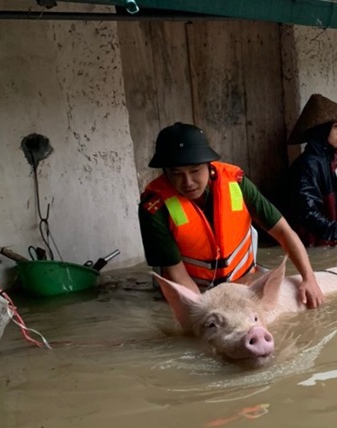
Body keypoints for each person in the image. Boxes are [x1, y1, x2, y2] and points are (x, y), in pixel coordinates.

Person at [138, 122, 325, 308]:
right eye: (176, 173)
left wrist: (309, 278)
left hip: (244, 282)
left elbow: (283, 231)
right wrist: (205, 312)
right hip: (193, 292)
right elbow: (176, 273)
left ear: (209, 165)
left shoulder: (236, 183)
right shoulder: (154, 206)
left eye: (195, 170)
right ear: (165, 172)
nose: (188, 182)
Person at [286, 94, 337, 247]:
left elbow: (332, 210)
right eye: (335, 126)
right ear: (321, 130)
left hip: (325, 243)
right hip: (309, 244)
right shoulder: (308, 164)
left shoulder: (325, 161)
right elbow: (307, 213)